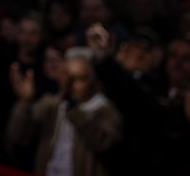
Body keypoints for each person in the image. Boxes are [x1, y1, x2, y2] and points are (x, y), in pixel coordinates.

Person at [7, 47, 122, 176]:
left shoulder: (104, 110)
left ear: (93, 81)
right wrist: (25, 103)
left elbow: (105, 145)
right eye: (66, 75)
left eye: (78, 78)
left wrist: (73, 109)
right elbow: (18, 136)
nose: (69, 84)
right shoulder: (52, 104)